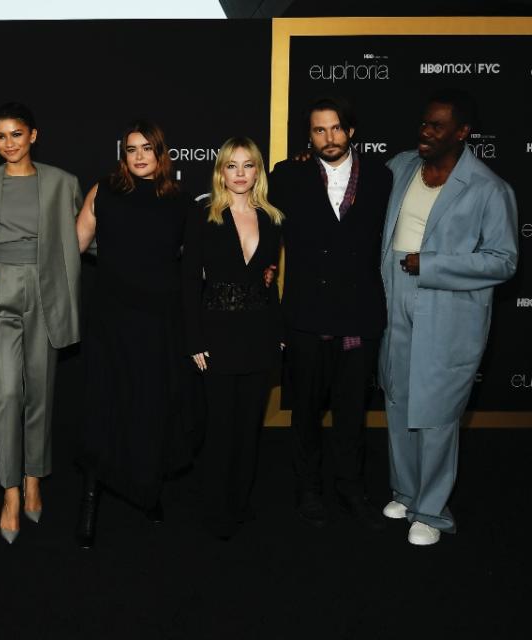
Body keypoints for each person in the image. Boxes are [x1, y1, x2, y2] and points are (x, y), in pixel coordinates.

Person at [380, 89, 517, 545]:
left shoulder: (489, 188)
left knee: (436, 413)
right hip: (395, 298)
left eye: (437, 126)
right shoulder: (401, 167)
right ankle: (406, 491)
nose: (425, 132)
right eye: (423, 123)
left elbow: (503, 261)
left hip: (447, 307)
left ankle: (433, 512)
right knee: (399, 398)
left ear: (462, 132)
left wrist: (431, 264)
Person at [268, 96, 392, 530]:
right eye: (319, 130)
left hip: (359, 316)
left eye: (336, 128)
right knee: (304, 411)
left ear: (351, 131)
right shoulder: (287, 175)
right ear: (309, 136)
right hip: (306, 316)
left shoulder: (381, 177)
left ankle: (350, 487)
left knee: (351, 412)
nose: (329, 138)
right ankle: (309, 488)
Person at [0, 102, 83, 543]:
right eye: (0, 136)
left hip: (46, 288)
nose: (8, 143)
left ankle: (34, 479)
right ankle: (10, 491)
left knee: (40, 392)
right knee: (8, 392)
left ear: (34, 135)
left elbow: (81, 236)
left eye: (16, 134)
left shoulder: (62, 182)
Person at [73, 120, 195, 548]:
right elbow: (74, 247)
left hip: (159, 322)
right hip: (111, 318)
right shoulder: (103, 192)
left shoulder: (180, 202)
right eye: (131, 149)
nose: (139, 156)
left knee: (151, 405)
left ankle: (148, 491)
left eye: (148, 149)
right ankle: (90, 501)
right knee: (104, 404)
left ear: (163, 155)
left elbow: (189, 257)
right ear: (122, 155)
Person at [181, 137, 283, 540]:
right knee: (220, 428)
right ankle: (214, 509)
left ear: (258, 171)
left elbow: (269, 281)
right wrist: (194, 339)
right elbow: (189, 282)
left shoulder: (273, 218)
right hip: (216, 337)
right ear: (221, 171)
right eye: (232, 166)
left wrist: (277, 335)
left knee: (248, 429)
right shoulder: (204, 214)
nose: (240, 174)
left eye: (248, 165)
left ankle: (240, 504)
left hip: (258, 336)